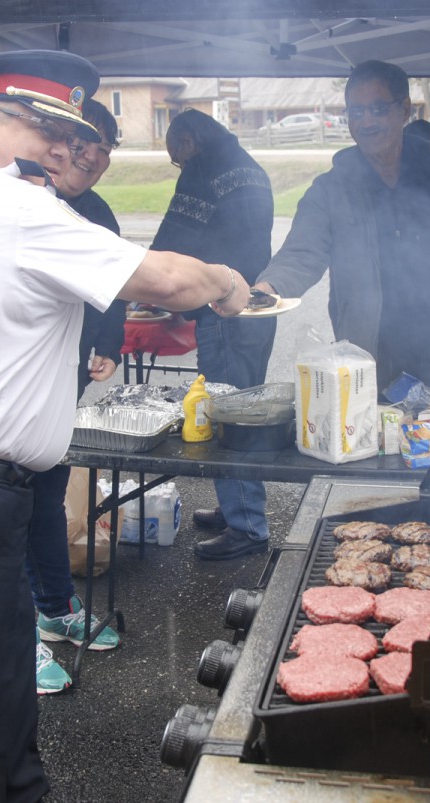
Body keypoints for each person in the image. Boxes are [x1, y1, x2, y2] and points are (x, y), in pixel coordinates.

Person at [0, 49, 248, 803]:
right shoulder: (8, 206)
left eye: (70, 134)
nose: (62, 149)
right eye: (43, 130)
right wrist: (229, 282)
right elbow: (166, 280)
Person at [255, 60, 430, 414]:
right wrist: (265, 290)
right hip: (373, 374)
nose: (366, 121)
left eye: (378, 108)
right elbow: (301, 253)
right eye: (357, 111)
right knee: (380, 468)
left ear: (404, 109)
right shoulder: (332, 189)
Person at [21, 98, 125, 696]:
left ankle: (54, 605)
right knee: (5, 506)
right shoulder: (23, 203)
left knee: (47, 490)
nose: (86, 157)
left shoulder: (97, 212)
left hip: (66, 370)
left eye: (100, 148)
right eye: (75, 143)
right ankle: (15, 640)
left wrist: (106, 342)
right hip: (10, 384)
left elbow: (114, 285)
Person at [151, 109, 276, 560]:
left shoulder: (205, 168)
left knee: (227, 412)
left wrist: (148, 287)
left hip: (223, 308)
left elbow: (176, 242)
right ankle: (235, 507)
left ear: (188, 141)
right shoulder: (249, 166)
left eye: (177, 158)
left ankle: (247, 526)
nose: (179, 166)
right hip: (258, 308)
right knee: (245, 404)